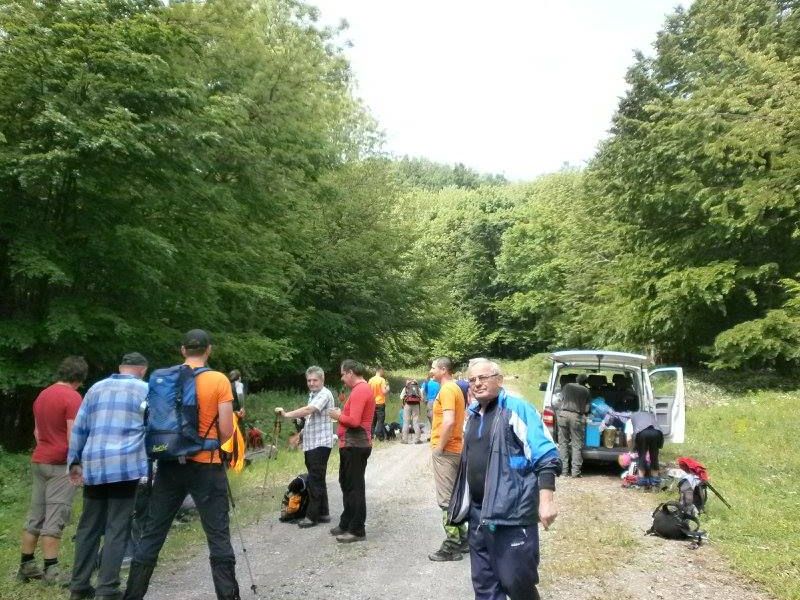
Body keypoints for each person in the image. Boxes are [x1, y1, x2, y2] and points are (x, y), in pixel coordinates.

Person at [123, 329, 239, 600]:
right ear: (208, 349)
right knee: (218, 535)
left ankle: (132, 596)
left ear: (183, 350)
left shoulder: (163, 377)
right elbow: (226, 430)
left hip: (168, 464)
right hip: (207, 466)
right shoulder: (218, 380)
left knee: (152, 533)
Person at [450, 359, 561, 600]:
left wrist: (546, 500)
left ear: (499, 380)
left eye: (484, 378)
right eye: (472, 380)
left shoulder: (517, 409)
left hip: (512, 515)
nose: (478, 383)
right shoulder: (473, 415)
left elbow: (546, 455)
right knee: (485, 585)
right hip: (479, 515)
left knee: (517, 583)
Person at [67, 353, 150, 600]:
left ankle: (79, 586)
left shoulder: (95, 388)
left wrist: (74, 461)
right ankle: (107, 588)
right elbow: (151, 428)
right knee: (117, 527)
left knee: (88, 526)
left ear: (120, 368)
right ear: (143, 370)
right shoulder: (146, 390)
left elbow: (80, 426)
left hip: (94, 463)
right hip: (125, 467)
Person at [18, 355, 88, 585]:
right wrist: (77, 464)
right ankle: (52, 571)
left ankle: (26, 565)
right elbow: (73, 434)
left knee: (36, 514)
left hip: (40, 460)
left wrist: (46, 448)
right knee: (56, 515)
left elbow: (37, 432)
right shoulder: (73, 396)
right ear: (79, 378)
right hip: (60, 464)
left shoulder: (43, 395)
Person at [275, 365, 335, 528]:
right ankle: (324, 513)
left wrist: (287, 414)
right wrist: (300, 436)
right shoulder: (313, 394)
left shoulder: (324, 394)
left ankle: (311, 516)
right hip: (312, 442)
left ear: (322, 380)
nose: (311, 383)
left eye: (315, 380)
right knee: (318, 478)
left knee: (314, 479)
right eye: (309, 380)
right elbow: (311, 419)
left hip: (320, 443)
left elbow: (309, 410)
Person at [328, 359, 375, 543]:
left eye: (342, 374)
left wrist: (338, 415)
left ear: (350, 372)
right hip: (350, 444)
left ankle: (357, 529)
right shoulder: (358, 390)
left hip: (356, 445)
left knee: (355, 487)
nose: (341, 378)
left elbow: (354, 421)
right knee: (346, 484)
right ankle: (346, 522)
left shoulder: (361, 390)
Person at [428, 357, 468, 562]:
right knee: (454, 496)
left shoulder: (447, 390)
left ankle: (452, 546)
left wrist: (439, 447)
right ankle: (464, 538)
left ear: (443, 370)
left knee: (446, 500)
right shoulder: (455, 389)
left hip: (448, 451)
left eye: (433, 367)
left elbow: (450, 420)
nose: (431, 371)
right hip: (456, 449)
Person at [556, 374, 590, 478]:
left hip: (564, 415)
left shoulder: (567, 386)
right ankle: (575, 472)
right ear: (585, 382)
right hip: (577, 418)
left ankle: (563, 472)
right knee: (576, 445)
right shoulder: (586, 391)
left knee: (563, 443)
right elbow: (587, 410)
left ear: (576, 379)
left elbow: (559, 400)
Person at [625, 411, 663, 486]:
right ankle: (655, 482)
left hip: (642, 433)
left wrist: (631, 450)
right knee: (654, 457)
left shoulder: (630, 420)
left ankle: (642, 481)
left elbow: (629, 439)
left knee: (642, 456)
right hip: (657, 433)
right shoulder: (651, 416)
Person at [368, 367, 389, 442]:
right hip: (380, 402)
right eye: (383, 371)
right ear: (380, 371)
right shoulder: (382, 380)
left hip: (372, 403)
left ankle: (371, 437)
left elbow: (368, 392)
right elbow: (384, 392)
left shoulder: (370, 380)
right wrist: (387, 389)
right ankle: (379, 435)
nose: (383, 373)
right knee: (380, 420)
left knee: (373, 421)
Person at [399, 379, 423, 444]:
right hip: (416, 406)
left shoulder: (406, 388)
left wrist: (406, 397)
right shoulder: (418, 388)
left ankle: (405, 440)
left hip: (407, 405)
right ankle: (417, 439)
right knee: (416, 422)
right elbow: (422, 398)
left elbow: (401, 397)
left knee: (406, 422)